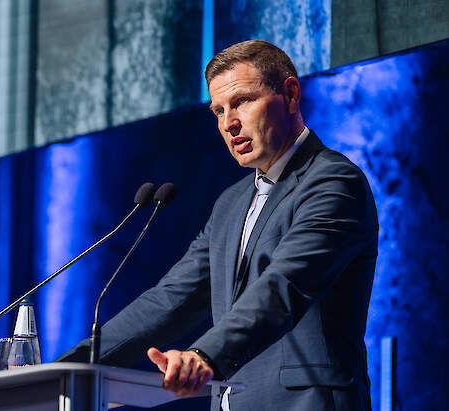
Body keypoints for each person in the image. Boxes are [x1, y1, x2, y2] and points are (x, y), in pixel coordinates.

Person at [57, 40, 378, 410]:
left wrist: (204, 355)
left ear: (290, 95)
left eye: (243, 101)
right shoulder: (232, 202)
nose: (229, 123)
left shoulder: (333, 183)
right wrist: (64, 369)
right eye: (219, 110)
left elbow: (283, 287)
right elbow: (172, 299)